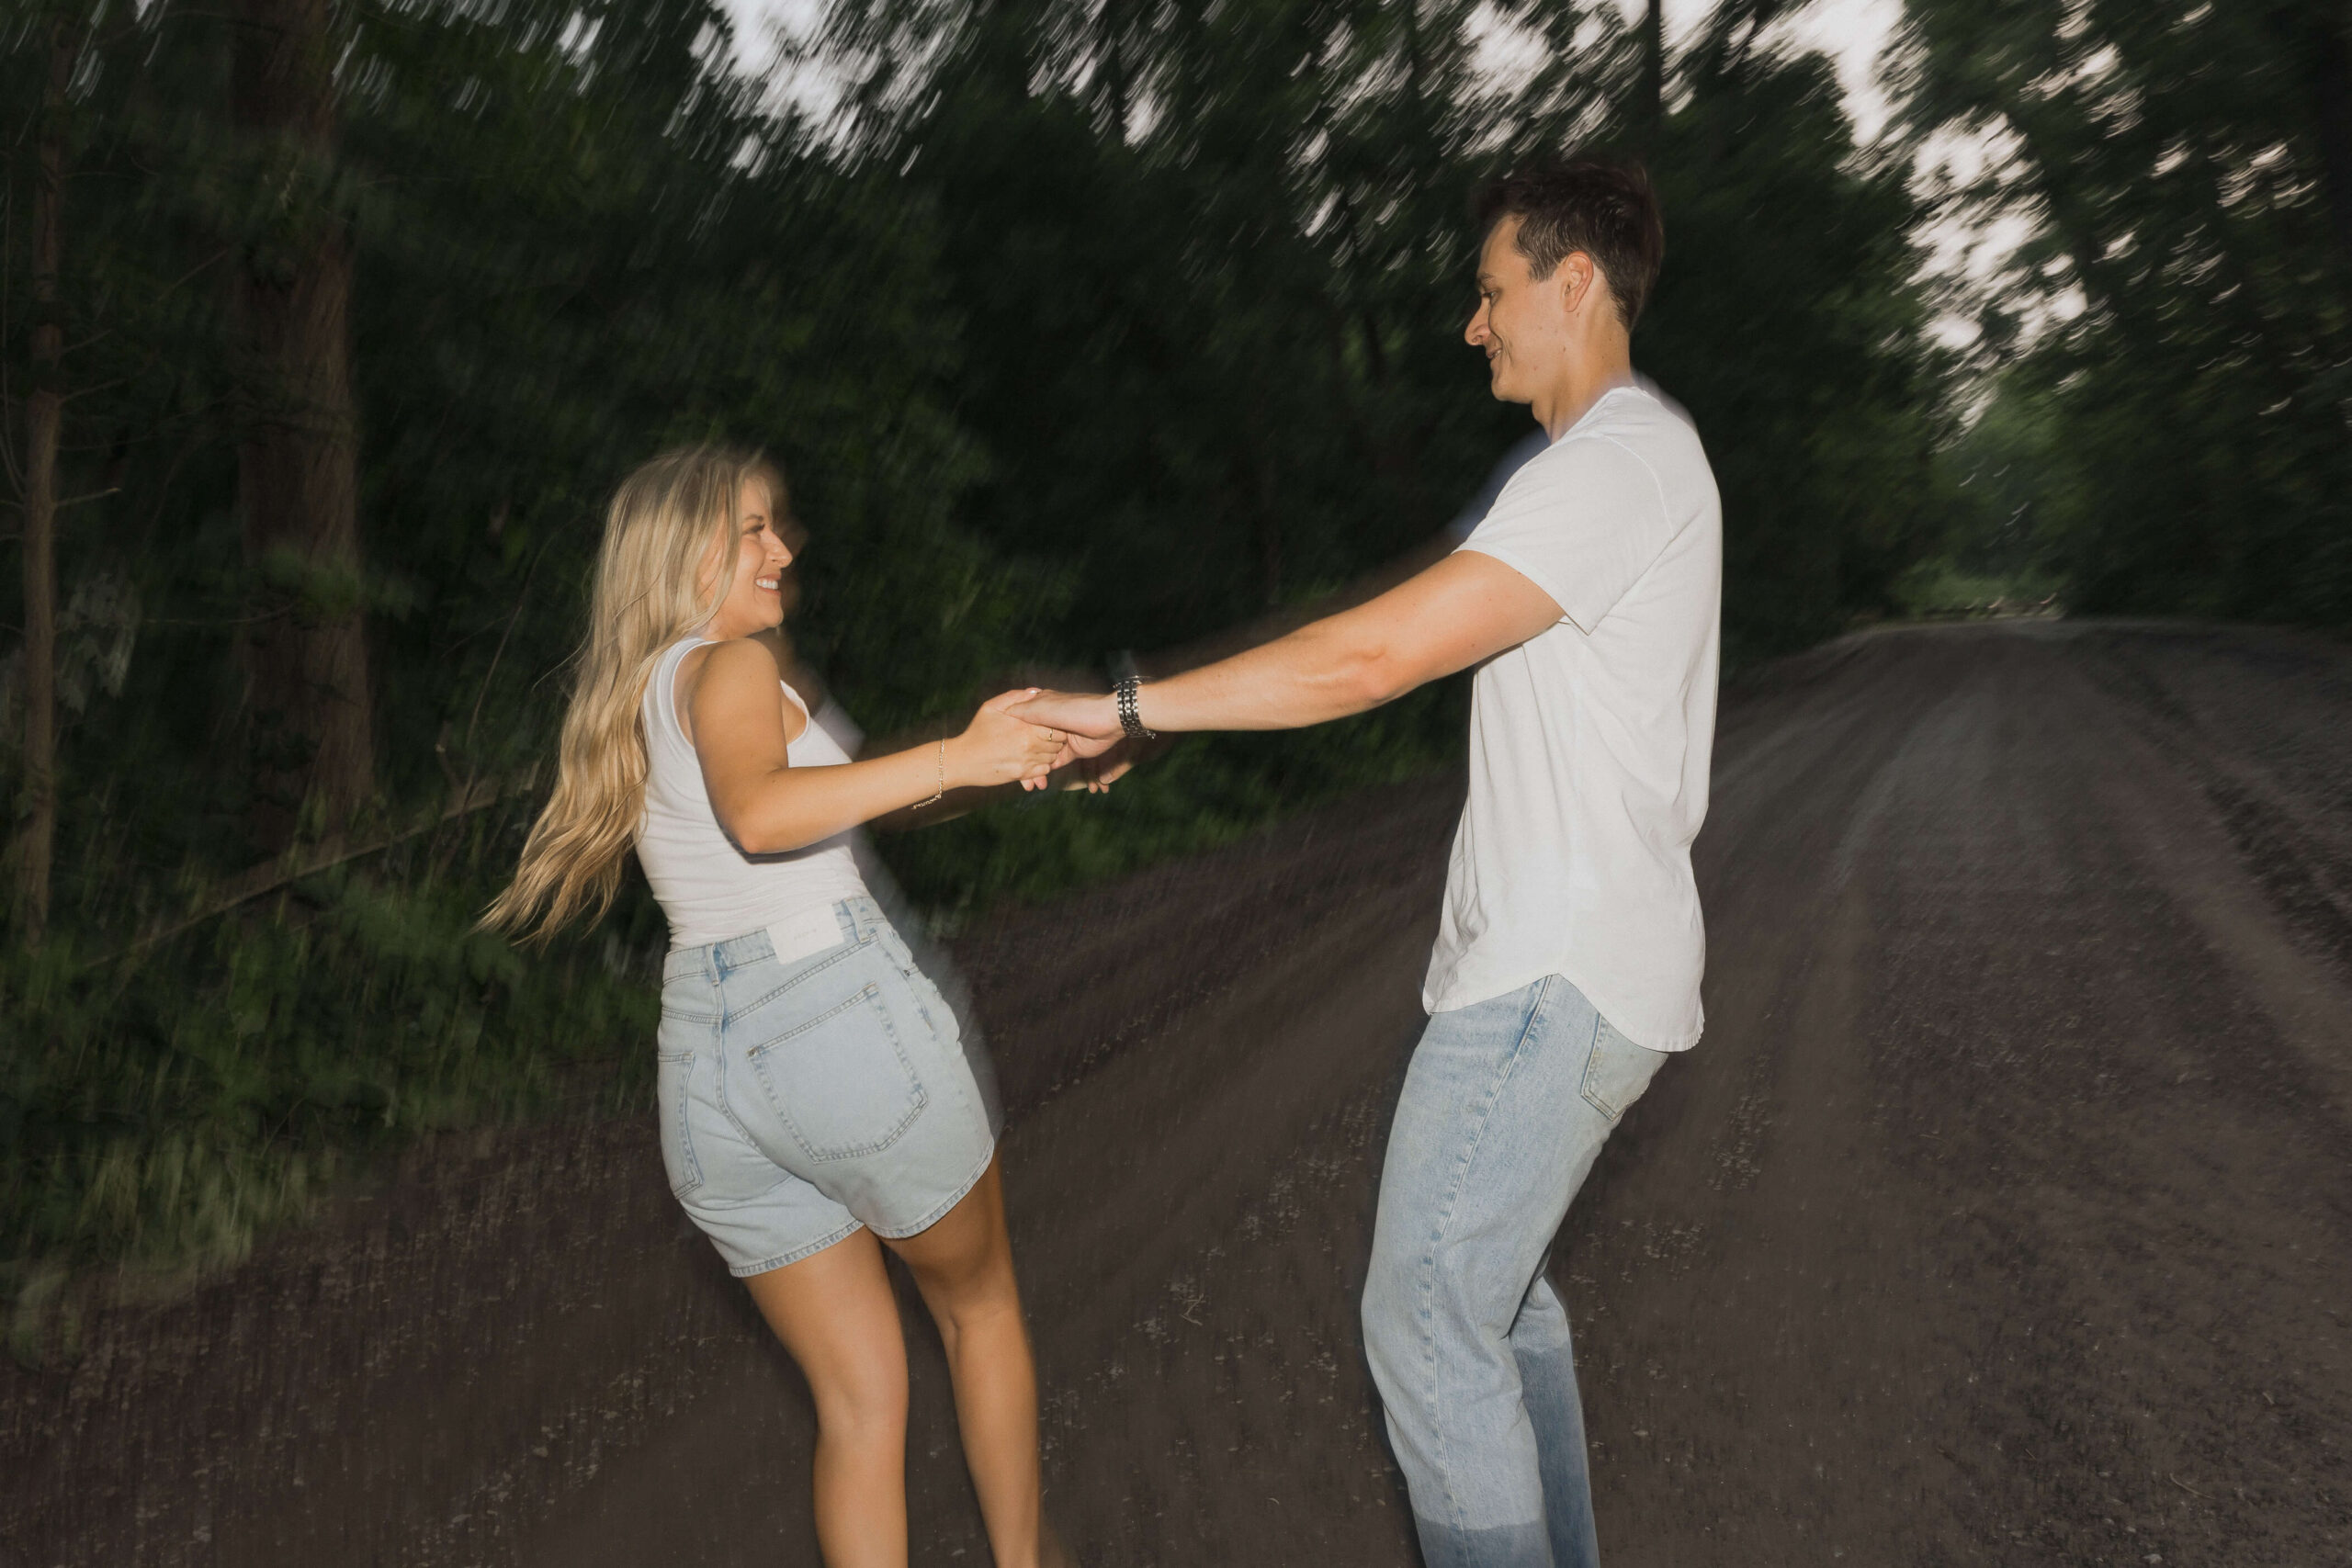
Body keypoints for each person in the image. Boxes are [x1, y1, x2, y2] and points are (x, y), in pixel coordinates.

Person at [1015, 158, 1720, 1568]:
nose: (1475, 324)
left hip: (1551, 975)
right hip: (1577, 969)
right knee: (1499, 1302)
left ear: (1573, 283)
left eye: (1491, 288)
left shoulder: (1614, 465)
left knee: (1424, 1314)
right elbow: (1377, 627)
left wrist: (1139, 704)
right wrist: (1169, 734)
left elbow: (1374, 657)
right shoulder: (1600, 473)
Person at [484, 446, 1075, 1568]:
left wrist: (998, 765)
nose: (782, 548)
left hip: (706, 1079)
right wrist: (962, 745)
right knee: (979, 1309)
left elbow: (830, 817)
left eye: (776, 526)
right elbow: (762, 816)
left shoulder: (651, 694)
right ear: (678, 552)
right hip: (834, 1027)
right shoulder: (730, 666)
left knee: (859, 1408)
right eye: (751, 529)